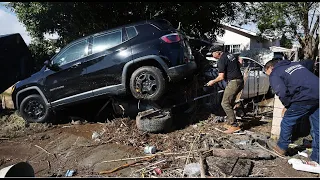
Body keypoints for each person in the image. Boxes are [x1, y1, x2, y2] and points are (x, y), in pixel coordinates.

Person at [264, 58, 319, 164]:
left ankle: (281, 147)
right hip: (318, 92)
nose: (268, 76)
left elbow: (282, 92)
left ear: (270, 67)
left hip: (305, 97)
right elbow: (310, 64)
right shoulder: (294, 64)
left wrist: (288, 105)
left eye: (267, 73)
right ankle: (317, 158)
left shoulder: (275, 73)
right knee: (317, 127)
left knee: (287, 121)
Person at [206, 45, 244, 134]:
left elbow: (221, 77)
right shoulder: (230, 55)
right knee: (229, 102)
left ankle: (234, 126)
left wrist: (212, 81)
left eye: (212, 53)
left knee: (225, 103)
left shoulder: (221, 60)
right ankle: (231, 122)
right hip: (239, 80)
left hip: (234, 82)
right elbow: (239, 64)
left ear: (217, 52)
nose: (212, 55)